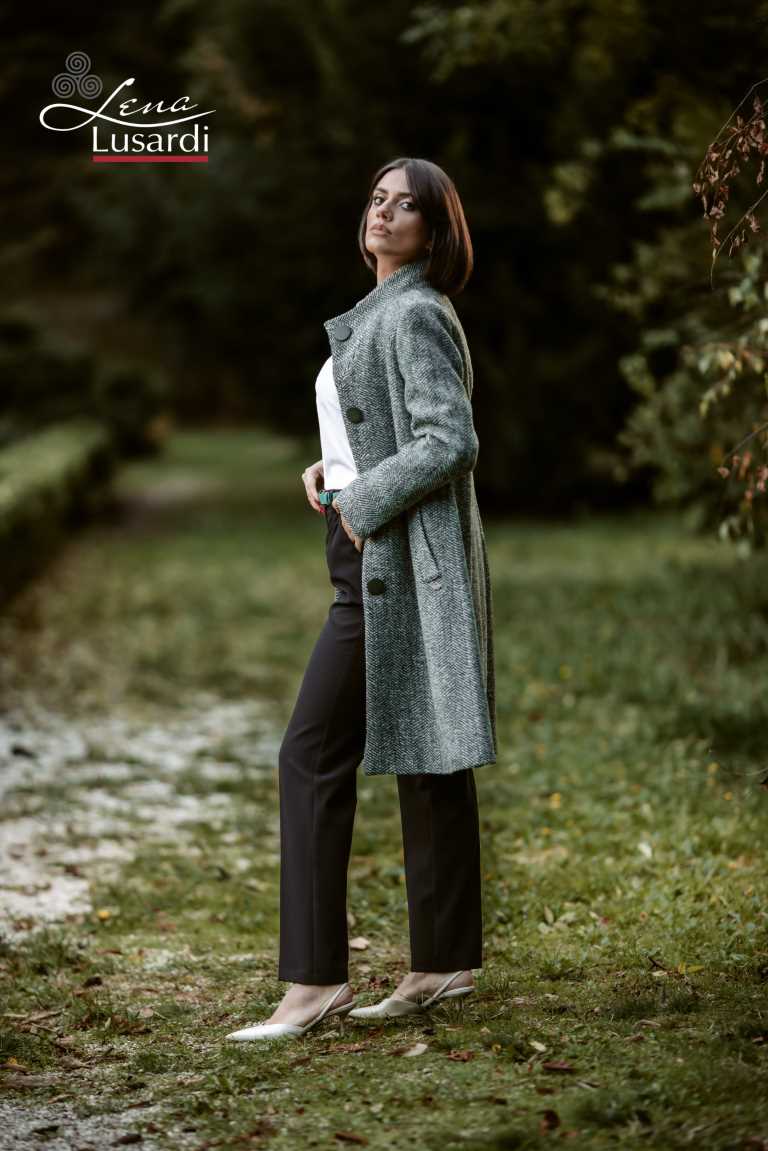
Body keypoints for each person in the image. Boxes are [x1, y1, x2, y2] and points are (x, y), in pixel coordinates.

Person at [226, 157, 496, 1044]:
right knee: (428, 748)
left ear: (434, 230)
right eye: (378, 199)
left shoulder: (413, 310)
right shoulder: (385, 308)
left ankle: (313, 983)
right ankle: (443, 961)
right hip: (372, 542)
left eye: (406, 205)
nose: (384, 213)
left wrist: (361, 498)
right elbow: (384, 427)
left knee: (310, 754)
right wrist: (332, 468)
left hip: (394, 552)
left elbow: (449, 439)